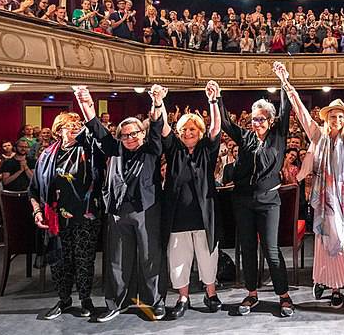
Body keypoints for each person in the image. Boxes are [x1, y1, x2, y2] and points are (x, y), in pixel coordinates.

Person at [277, 60, 344, 308]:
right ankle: (324, 279)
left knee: (343, 239)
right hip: (325, 196)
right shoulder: (317, 135)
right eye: (333, 115)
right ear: (327, 118)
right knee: (325, 239)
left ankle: (336, 285)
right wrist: (286, 83)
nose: (337, 119)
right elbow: (301, 111)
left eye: (341, 116)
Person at [74, 84, 167, 322]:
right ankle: (117, 303)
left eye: (134, 133)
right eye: (125, 135)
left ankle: (155, 302)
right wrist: (86, 104)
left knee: (150, 257)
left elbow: (157, 126)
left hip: (147, 209)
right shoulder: (115, 149)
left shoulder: (152, 149)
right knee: (117, 260)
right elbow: (96, 129)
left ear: (142, 134)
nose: (130, 138)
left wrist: (157, 102)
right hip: (118, 210)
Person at [220, 66, 296, 317]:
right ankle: (251, 293)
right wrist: (216, 98)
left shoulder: (278, 135)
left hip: (269, 201)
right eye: (254, 119)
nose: (257, 123)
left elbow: (286, 108)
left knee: (271, 250)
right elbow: (225, 123)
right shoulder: (245, 137)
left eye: (262, 119)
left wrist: (283, 80)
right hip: (243, 200)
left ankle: (283, 296)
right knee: (248, 248)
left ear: (270, 120)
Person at [30, 112, 103, 320]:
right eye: (70, 126)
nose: (75, 129)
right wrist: (37, 211)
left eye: (77, 125)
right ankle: (64, 300)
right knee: (60, 262)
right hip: (55, 219)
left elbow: (101, 145)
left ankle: (86, 299)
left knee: (84, 259)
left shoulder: (88, 149)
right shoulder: (47, 155)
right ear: (58, 130)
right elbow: (33, 189)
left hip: (85, 216)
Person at [160, 81, 223, 319]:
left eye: (193, 129)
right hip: (178, 217)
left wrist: (213, 100)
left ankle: (211, 293)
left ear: (200, 131)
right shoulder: (174, 150)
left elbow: (216, 127)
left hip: (204, 216)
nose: (188, 133)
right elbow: (163, 127)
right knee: (179, 259)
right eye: (184, 129)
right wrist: (159, 102)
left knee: (208, 257)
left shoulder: (207, 149)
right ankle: (183, 297)